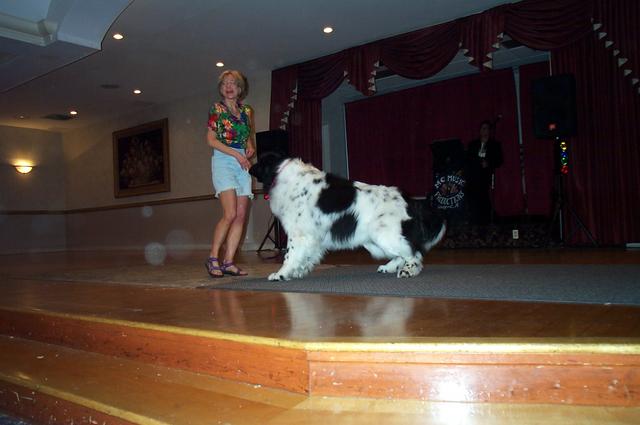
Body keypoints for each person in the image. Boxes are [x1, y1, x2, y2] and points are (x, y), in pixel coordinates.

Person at [205, 70, 256, 277]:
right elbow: (211, 140)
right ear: (221, 88)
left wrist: (249, 147)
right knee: (230, 213)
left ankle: (228, 262)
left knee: (241, 215)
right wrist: (236, 154)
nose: (228, 86)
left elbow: (246, 135)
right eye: (225, 83)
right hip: (224, 160)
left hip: (242, 161)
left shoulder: (247, 111)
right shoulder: (217, 109)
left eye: (233, 83)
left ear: (239, 88)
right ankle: (212, 258)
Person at [465, 120, 503, 225]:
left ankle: (487, 219)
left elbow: (499, 160)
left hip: (485, 175)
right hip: (472, 175)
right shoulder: (473, 144)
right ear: (479, 131)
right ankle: (474, 219)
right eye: (483, 129)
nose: (485, 131)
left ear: (490, 131)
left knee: (483, 197)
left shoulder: (494, 145)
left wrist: (488, 163)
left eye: (487, 129)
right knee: (472, 197)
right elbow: (467, 159)